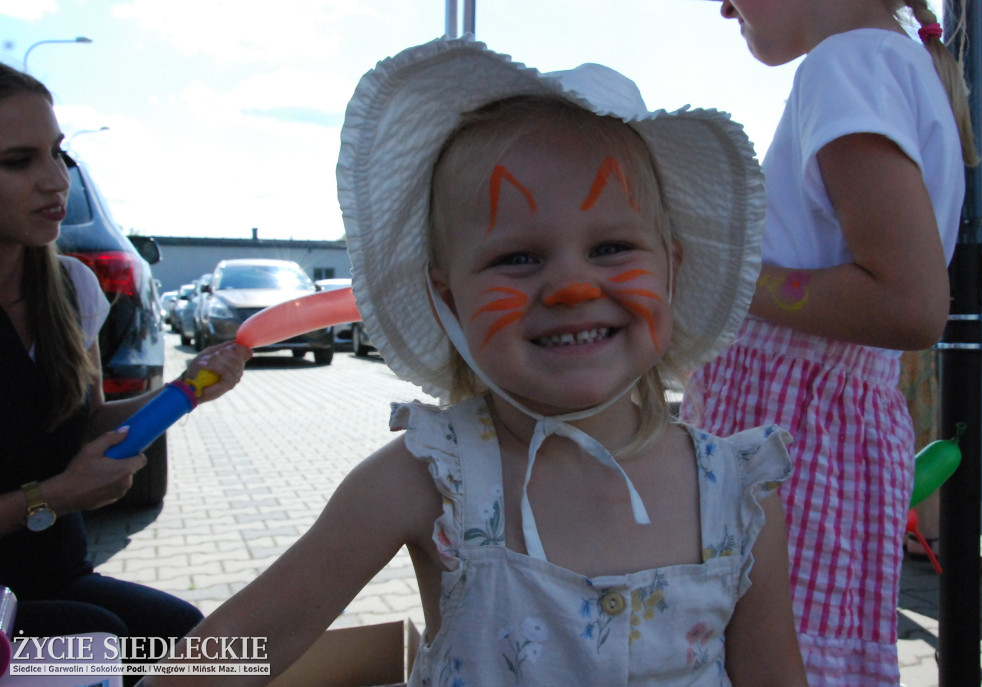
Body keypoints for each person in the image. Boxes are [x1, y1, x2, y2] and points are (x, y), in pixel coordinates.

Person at [142, 37, 808, 685]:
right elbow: (232, 653)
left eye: (611, 247)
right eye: (517, 257)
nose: (572, 288)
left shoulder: (736, 497)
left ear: (671, 272)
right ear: (447, 295)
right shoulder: (429, 481)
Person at [681, 0, 978, 683]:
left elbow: (910, 302)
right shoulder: (882, 63)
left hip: (795, 440)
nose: (721, 6)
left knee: (768, 660)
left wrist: (722, 276)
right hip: (820, 432)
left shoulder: (846, 64)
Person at [0, 62, 251, 654]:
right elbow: (59, 483)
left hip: (52, 573)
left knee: (200, 647)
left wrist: (189, 390)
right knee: (96, 644)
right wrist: (56, 496)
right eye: (18, 161)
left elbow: (82, 422)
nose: (56, 181)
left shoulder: (71, 289)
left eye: (58, 154)